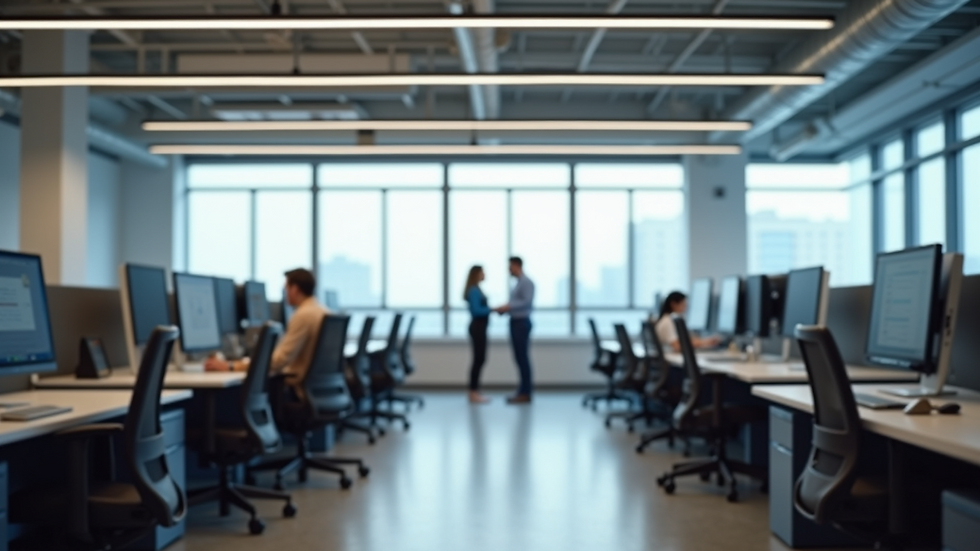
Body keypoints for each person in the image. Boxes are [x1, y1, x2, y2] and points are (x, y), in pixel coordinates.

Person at [205, 269, 328, 396]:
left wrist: (231, 366)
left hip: (299, 391)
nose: (285, 293)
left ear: (294, 289)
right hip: (319, 390)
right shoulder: (322, 311)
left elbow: (277, 361)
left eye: (286, 288)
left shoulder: (303, 315)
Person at [494, 257, 535, 405]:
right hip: (515, 322)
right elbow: (517, 302)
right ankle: (522, 391)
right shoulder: (518, 283)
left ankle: (525, 392)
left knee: (523, 358)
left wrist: (508, 307)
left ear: (516, 265)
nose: (508, 269)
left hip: (521, 323)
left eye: (510, 266)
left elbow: (526, 301)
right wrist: (506, 308)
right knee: (518, 358)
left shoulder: (527, 282)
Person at [655, 291, 720, 354]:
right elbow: (677, 346)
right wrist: (704, 343)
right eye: (683, 304)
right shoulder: (668, 322)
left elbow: (682, 340)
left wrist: (704, 341)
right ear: (673, 304)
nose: (686, 307)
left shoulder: (668, 319)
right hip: (668, 358)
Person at [464, 265, 491, 404]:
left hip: (480, 328)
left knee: (480, 359)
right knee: (478, 359)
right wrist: (491, 309)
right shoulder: (474, 290)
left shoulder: (477, 289)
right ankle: (473, 391)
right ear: (476, 274)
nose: (484, 274)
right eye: (482, 272)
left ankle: (475, 390)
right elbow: (476, 311)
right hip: (477, 328)